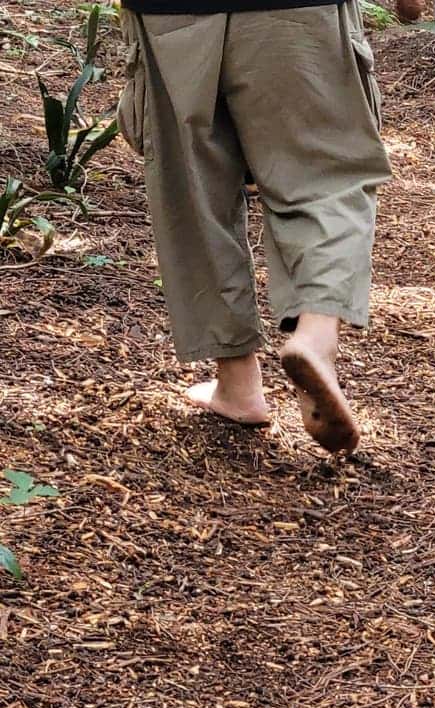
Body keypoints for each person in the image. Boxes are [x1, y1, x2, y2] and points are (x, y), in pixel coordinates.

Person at [117, 0, 392, 453]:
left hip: (170, 13)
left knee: (194, 189)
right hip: (301, 8)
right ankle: (316, 335)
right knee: (325, 177)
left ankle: (237, 381)